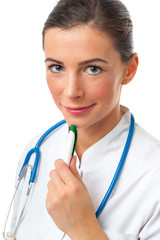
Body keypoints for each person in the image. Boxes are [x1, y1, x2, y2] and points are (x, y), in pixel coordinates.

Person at [9, 0, 160, 239]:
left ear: (129, 70)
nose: (71, 92)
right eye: (57, 67)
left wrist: (84, 229)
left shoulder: (153, 177)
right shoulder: (37, 150)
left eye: (92, 69)